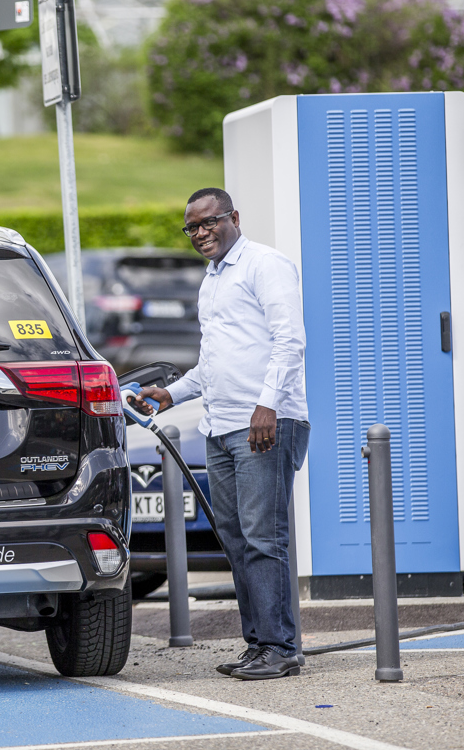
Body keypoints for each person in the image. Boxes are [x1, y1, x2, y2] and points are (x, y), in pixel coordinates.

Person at [131, 187, 310, 681]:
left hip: (264, 425)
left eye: (209, 222)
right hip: (220, 425)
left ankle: (281, 646)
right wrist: (172, 394)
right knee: (235, 539)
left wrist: (267, 405)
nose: (201, 233)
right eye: (192, 227)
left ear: (233, 217)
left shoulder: (264, 265)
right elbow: (214, 363)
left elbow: (289, 341)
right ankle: (260, 644)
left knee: (263, 537)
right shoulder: (212, 280)